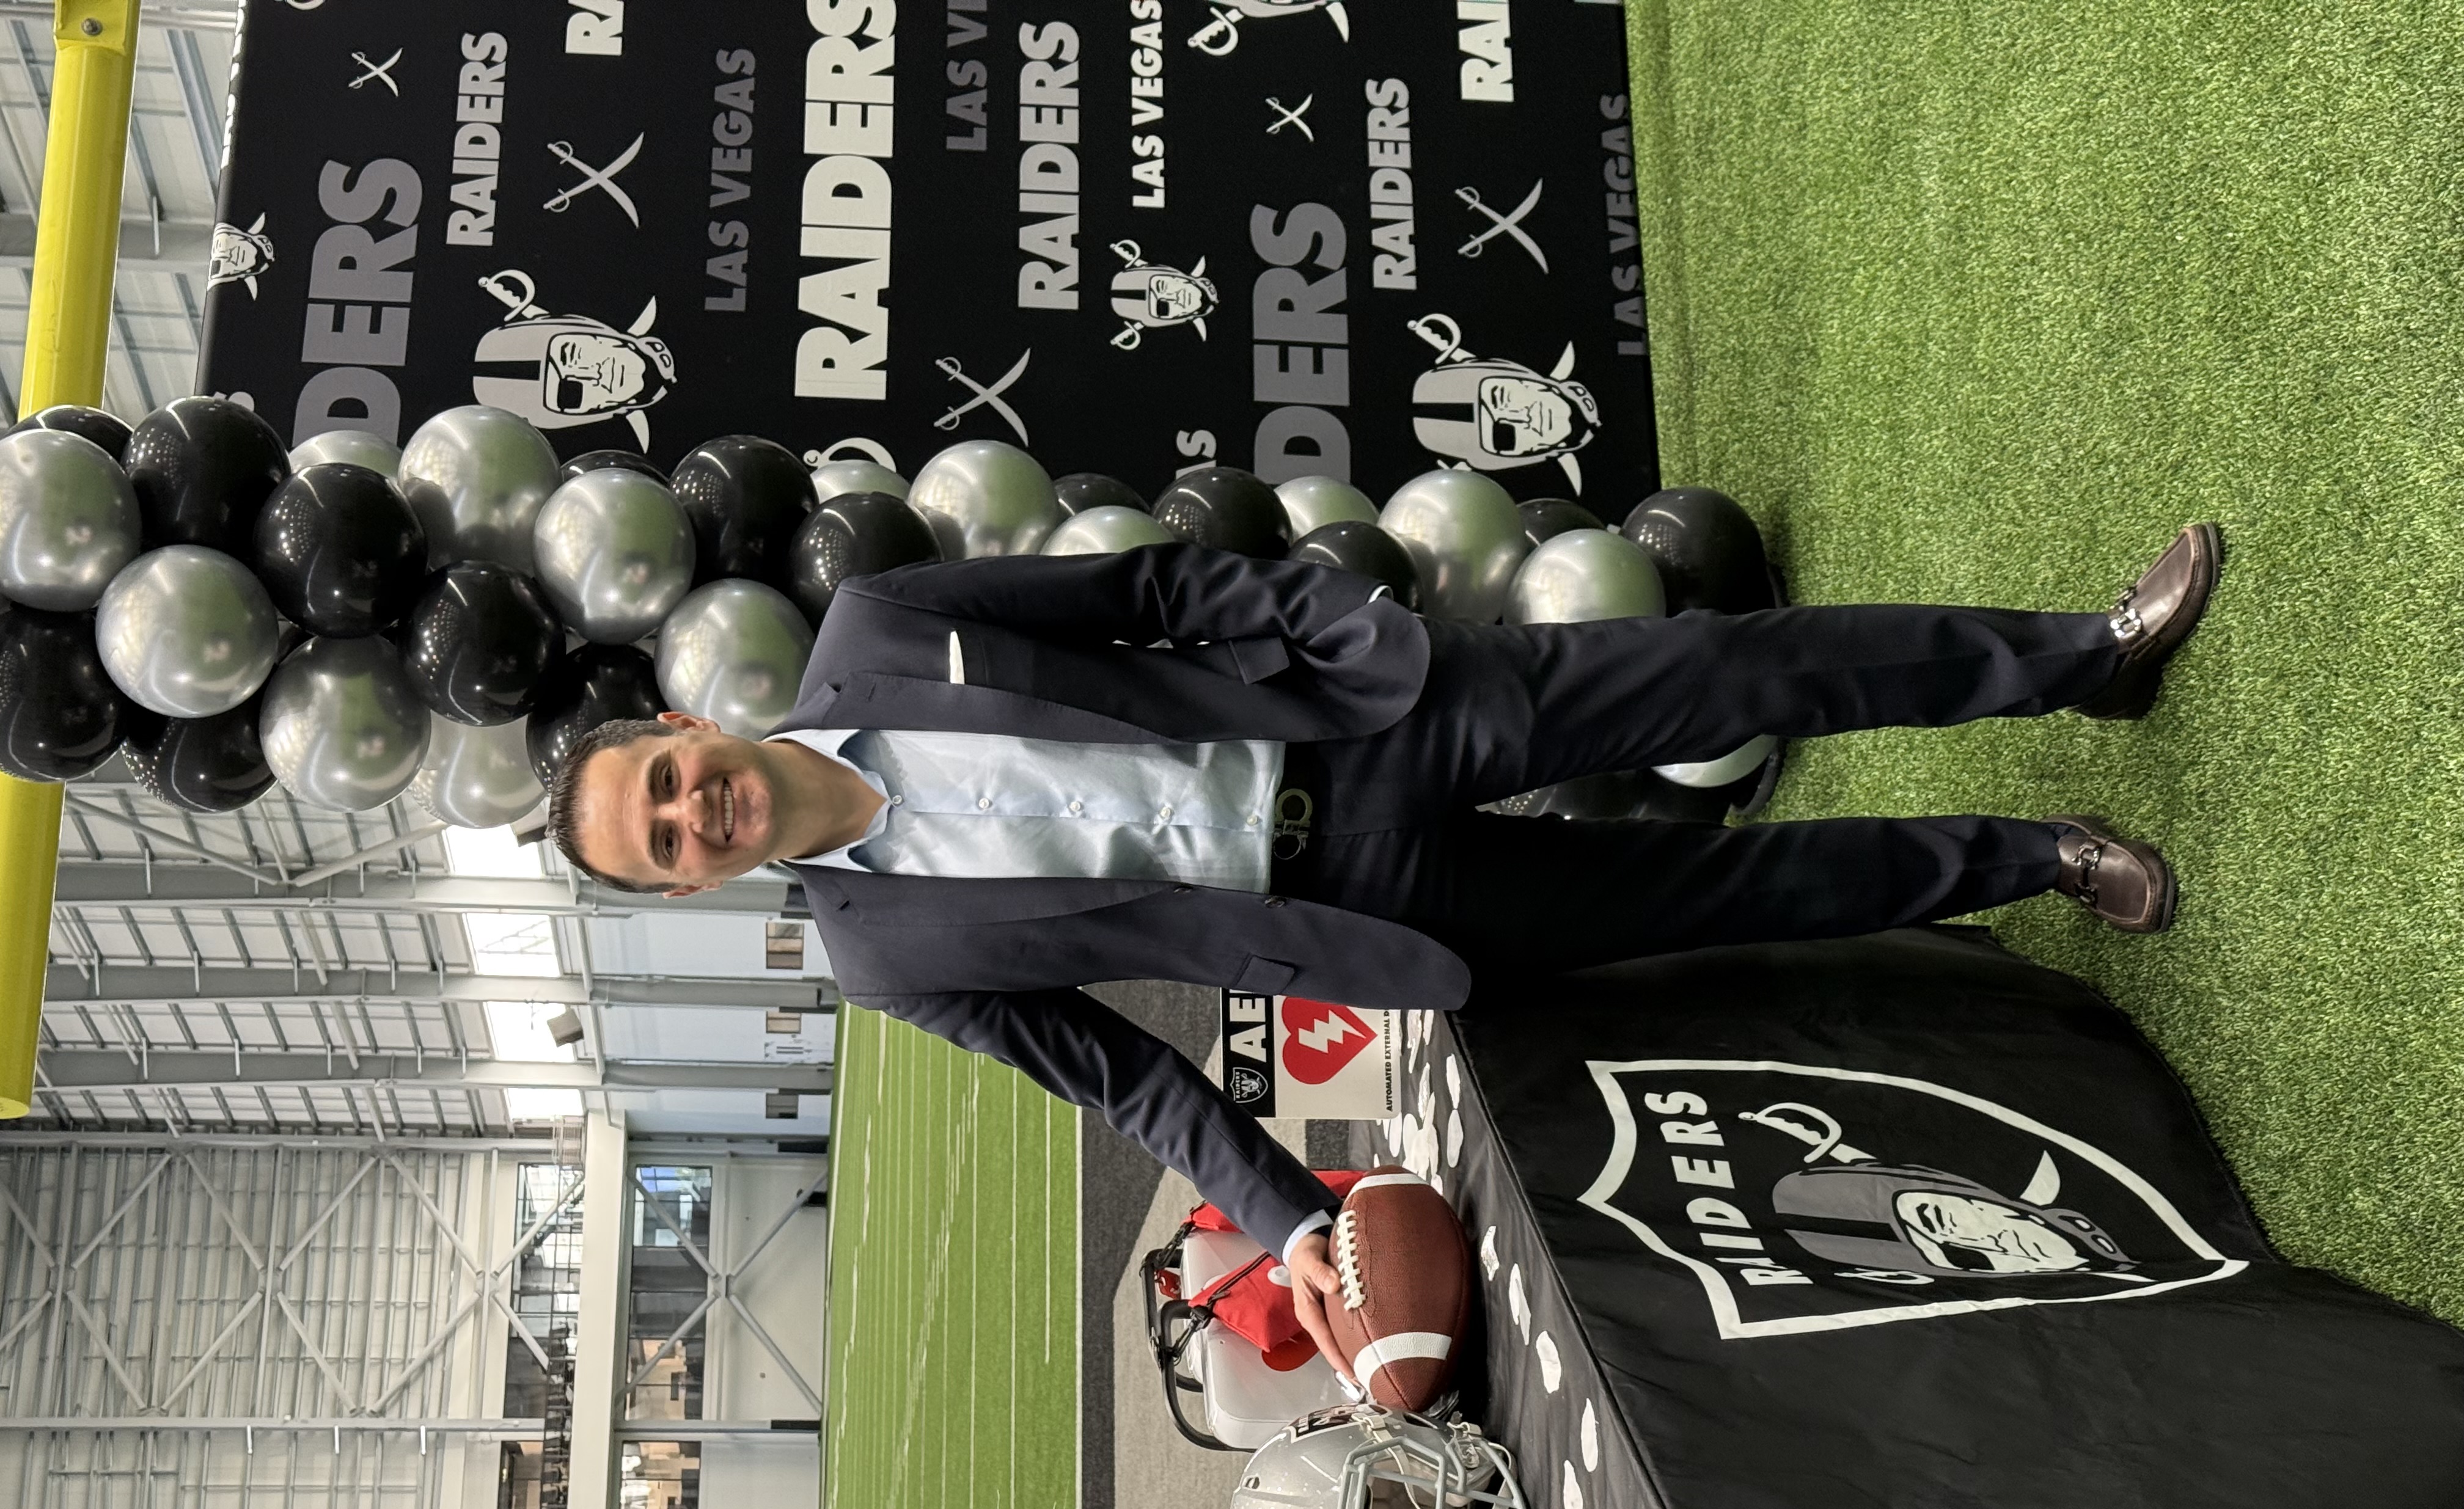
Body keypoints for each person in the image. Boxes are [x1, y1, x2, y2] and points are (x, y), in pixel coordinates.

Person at [544, 524, 2220, 1376]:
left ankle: (2082, 656)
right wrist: (1293, 1223)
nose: (695, 814)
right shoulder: (888, 962)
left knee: (1730, 673)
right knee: (1727, 895)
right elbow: (1123, 1078)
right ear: (691, 890)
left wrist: (1323, 619)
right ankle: (2038, 859)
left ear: (688, 727)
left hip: (1364, 718)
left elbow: (1148, 585)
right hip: (1358, 911)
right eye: (666, 844)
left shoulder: (882, 624)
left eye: (668, 783)